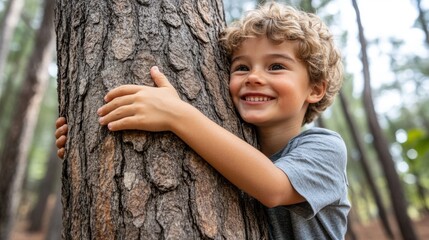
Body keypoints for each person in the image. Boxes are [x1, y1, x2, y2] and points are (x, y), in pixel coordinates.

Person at [55, 2, 350, 239]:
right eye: (242, 67)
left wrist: (176, 113)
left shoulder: (325, 147)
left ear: (315, 89)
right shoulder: (226, 137)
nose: (254, 77)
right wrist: (90, 136)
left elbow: (272, 187)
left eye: (276, 66)